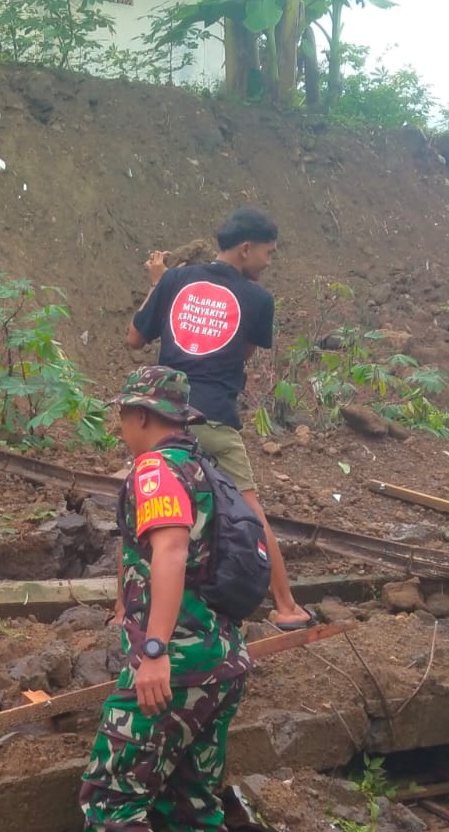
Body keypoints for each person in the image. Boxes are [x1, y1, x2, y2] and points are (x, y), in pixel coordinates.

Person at [74, 365, 253, 832]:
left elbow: (171, 549)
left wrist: (151, 649)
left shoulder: (154, 470)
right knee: (194, 797)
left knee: (110, 794)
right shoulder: (207, 470)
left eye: (123, 415)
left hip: (173, 668)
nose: (119, 427)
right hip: (223, 660)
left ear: (143, 416)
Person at [126, 207, 312, 631]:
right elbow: (242, 353)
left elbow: (135, 338)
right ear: (246, 249)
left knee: (149, 514)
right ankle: (285, 606)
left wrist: (157, 287)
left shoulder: (174, 279)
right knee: (249, 511)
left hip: (163, 419)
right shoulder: (259, 299)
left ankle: (128, 613)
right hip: (217, 420)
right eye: (268, 253)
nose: (269, 262)